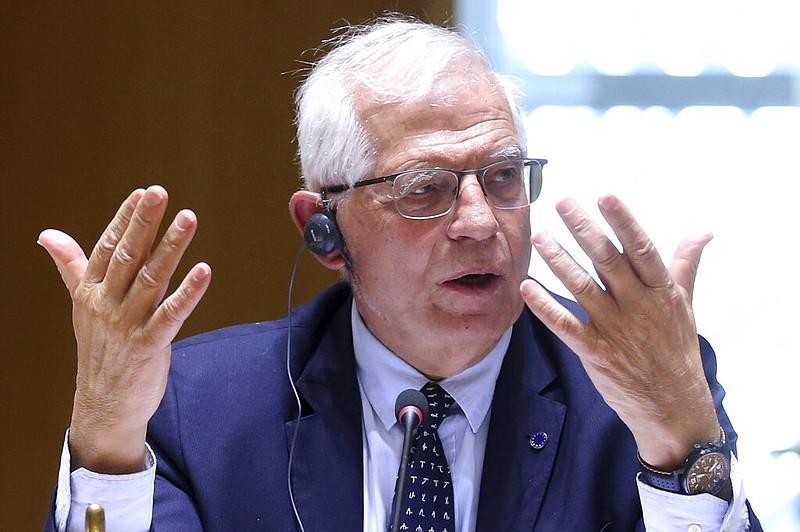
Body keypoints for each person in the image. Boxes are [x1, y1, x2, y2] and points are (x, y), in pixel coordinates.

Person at [40, 16, 761, 531]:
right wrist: (105, 446)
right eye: (424, 187)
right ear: (322, 232)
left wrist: (678, 449)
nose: (481, 223)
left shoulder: (638, 388)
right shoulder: (196, 408)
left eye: (503, 176)